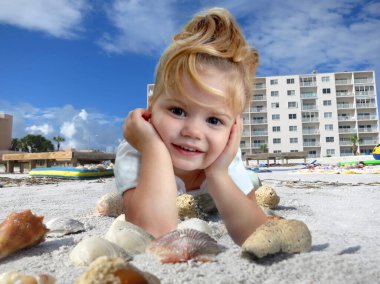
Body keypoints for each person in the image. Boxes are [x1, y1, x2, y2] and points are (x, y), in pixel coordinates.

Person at [114, 7, 267, 245]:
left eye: (214, 120)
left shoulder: (225, 156)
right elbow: (153, 230)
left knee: (251, 181)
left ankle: (252, 179)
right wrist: (154, 149)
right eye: (178, 111)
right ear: (152, 107)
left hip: (225, 176)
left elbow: (258, 235)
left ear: (233, 127)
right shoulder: (136, 148)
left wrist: (218, 174)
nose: (193, 132)